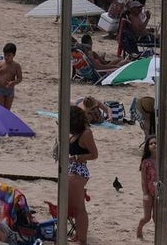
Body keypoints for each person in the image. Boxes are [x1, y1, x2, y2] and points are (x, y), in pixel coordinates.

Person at [67, 104, 98, 245]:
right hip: (72, 170)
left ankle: (83, 239)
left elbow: (94, 154)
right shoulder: (77, 133)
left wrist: (78, 157)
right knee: (72, 205)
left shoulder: (86, 133)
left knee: (79, 207)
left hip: (78, 171)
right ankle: (78, 234)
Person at [137, 135, 158, 240]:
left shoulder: (162, 161)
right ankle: (139, 228)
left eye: (156, 143)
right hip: (149, 192)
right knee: (147, 217)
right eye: (151, 143)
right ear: (148, 147)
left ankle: (158, 237)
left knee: (157, 218)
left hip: (159, 192)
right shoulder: (146, 162)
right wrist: (145, 193)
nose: (154, 145)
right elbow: (143, 180)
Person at [0, 42, 22, 110]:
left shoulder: (16, 66)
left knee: (7, 110)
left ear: (14, 55)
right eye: (5, 55)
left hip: (10, 90)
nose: (6, 57)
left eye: (9, 55)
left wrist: (13, 82)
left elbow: (19, 78)